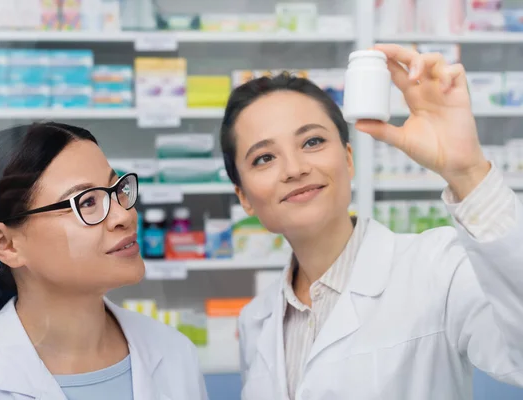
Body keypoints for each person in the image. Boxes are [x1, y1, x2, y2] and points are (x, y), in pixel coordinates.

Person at [220, 43, 523, 399]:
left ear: (348, 160)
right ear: (244, 197)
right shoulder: (257, 321)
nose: (295, 169)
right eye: (264, 158)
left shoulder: (437, 269)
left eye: (312, 141)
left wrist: (468, 171)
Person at [0, 122, 208, 400]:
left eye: (117, 190)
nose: (124, 216)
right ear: (5, 244)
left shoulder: (174, 353)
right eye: (87, 202)